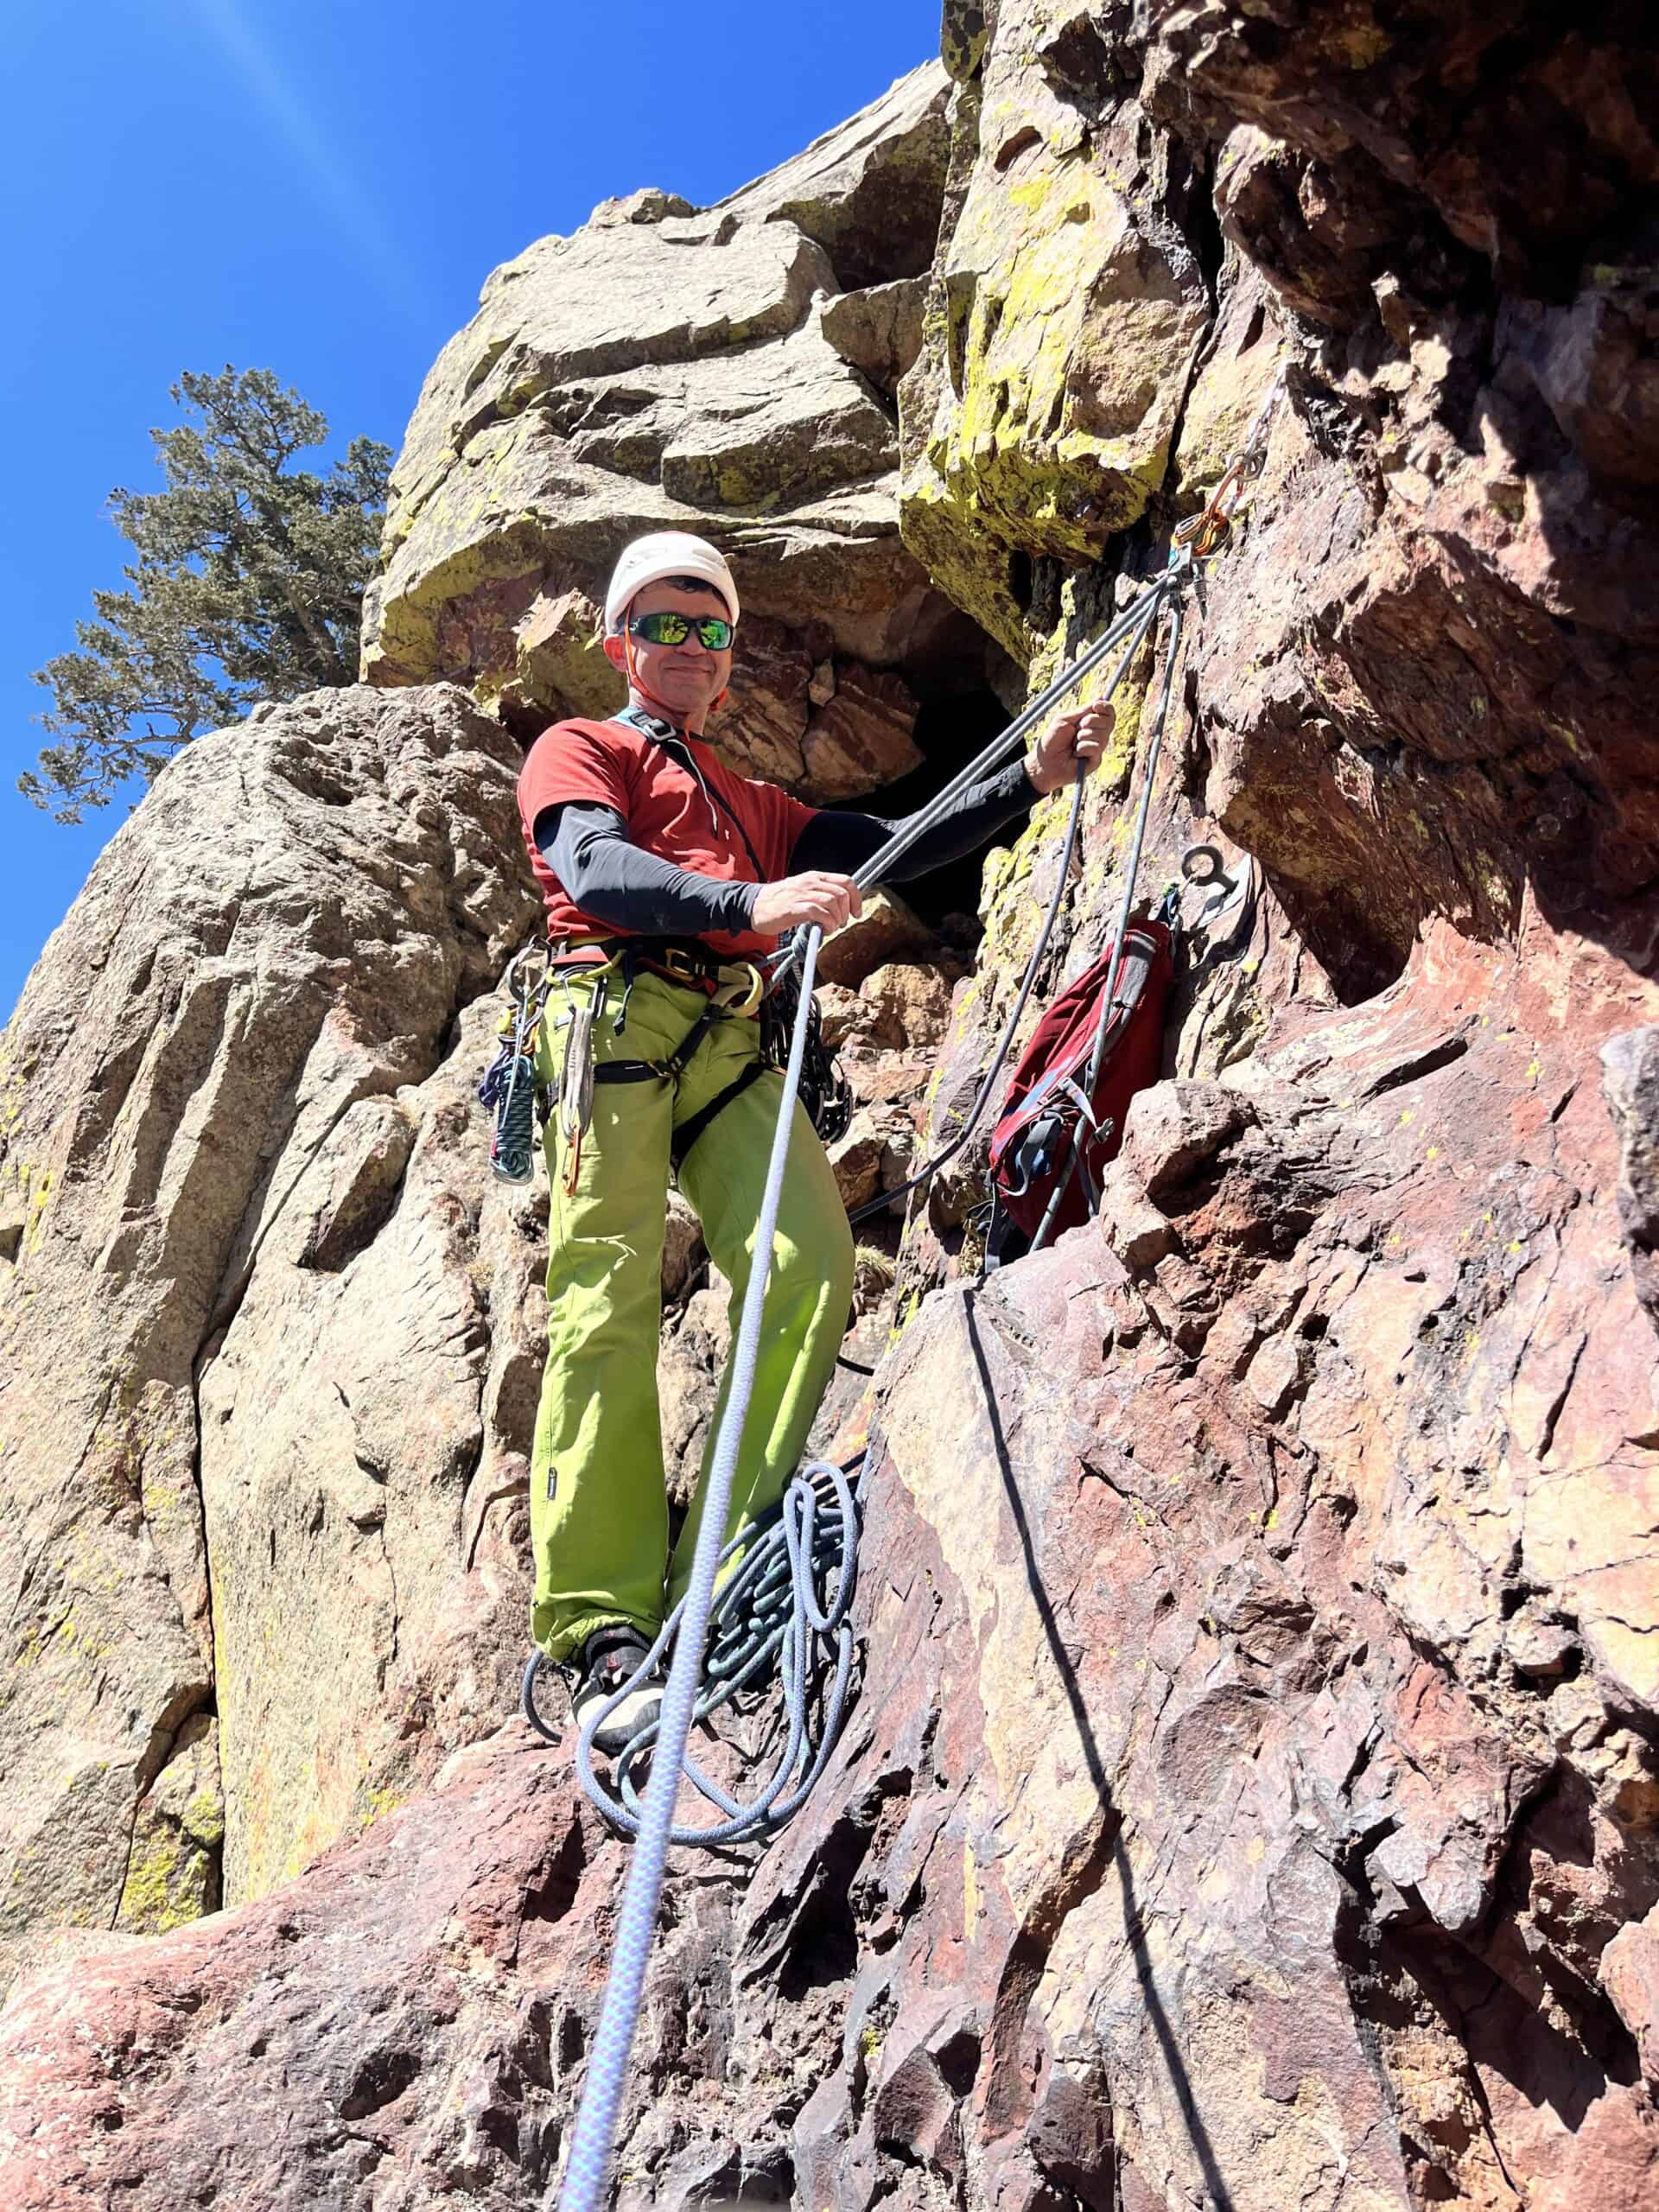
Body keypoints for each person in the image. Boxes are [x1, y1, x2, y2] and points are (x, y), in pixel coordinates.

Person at [516, 531, 1113, 1746]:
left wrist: (1031, 781)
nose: (689, 647)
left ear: (729, 659)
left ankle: (715, 1576)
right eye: (666, 626)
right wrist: (748, 903)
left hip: (727, 1042)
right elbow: (596, 865)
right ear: (625, 645)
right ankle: (602, 1624)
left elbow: (891, 842)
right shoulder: (584, 749)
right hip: (611, 1012)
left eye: (710, 628)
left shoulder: (757, 805)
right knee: (605, 1298)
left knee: (808, 1266)